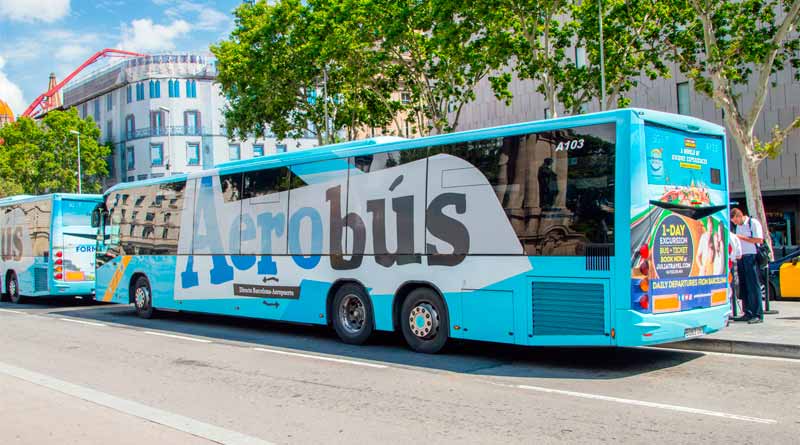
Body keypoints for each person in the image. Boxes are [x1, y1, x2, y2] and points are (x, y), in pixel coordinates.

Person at [731, 208, 764, 324]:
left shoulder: (752, 223)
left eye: (735, 221)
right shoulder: (739, 226)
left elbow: (759, 239)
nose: (735, 223)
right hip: (742, 257)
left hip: (752, 256)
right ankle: (748, 312)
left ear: (739, 216)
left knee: (753, 286)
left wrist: (741, 237)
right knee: (744, 286)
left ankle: (758, 314)